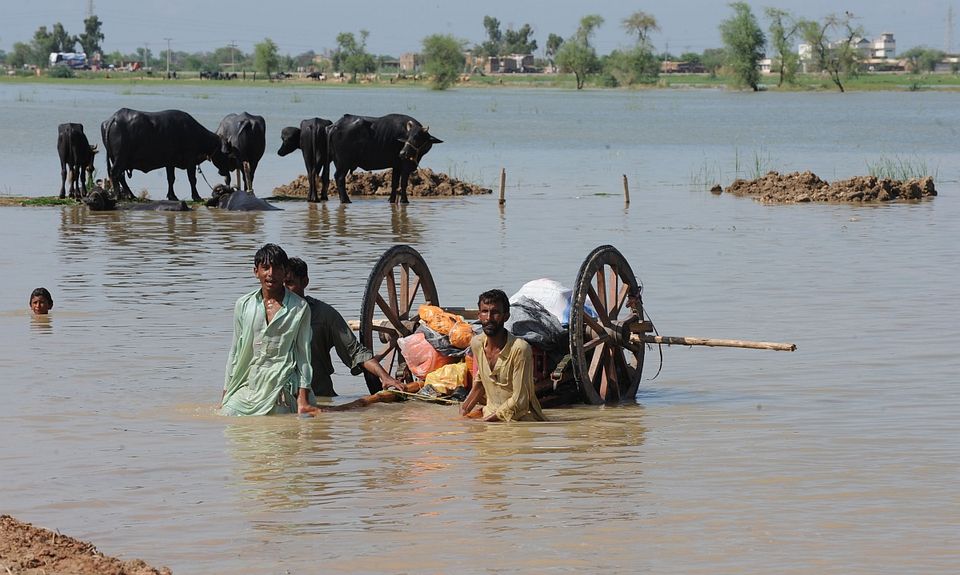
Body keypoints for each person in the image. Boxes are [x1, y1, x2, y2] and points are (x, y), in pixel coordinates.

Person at [221, 244, 316, 416]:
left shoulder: (300, 307)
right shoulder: (243, 305)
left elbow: (304, 355)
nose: (271, 274)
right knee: (227, 415)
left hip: (283, 383)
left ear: (285, 272)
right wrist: (226, 395)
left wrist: (303, 399)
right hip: (250, 382)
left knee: (275, 427)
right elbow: (235, 352)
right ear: (256, 271)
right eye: (265, 268)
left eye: (277, 268)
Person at [284, 257, 401, 397]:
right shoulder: (265, 313)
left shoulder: (324, 315)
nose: (284, 290)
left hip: (318, 396)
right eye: (281, 283)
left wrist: (385, 376)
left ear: (304, 282)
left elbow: (356, 352)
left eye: (289, 283)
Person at [460, 289, 546, 422]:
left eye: (495, 313)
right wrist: (462, 413)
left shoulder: (520, 349)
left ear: (506, 316)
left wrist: (485, 422)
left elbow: (520, 400)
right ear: (479, 315)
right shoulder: (477, 343)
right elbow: (480, 384)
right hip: (490, 417)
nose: (489, 318)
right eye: (485, 312)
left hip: (519, 421)